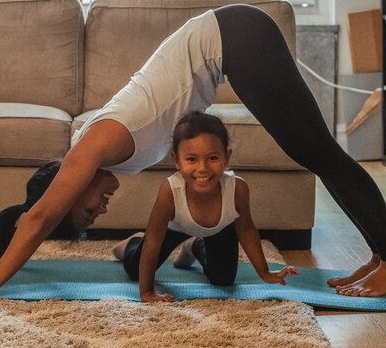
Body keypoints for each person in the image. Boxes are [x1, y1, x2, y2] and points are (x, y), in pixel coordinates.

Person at [0, 4, 386, 299]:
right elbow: (28, 218)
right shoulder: (107, 154)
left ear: (67, 189)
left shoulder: (94, 145)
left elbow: (35, 220)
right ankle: (380, 255)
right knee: (317, 153)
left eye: (87, 211)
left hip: (236, 38)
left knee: (319, 152)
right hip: (233, 42)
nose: (100, 210)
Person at [112, 112, 298, 302]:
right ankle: (133, 243)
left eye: (212, 158)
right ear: (176, 160)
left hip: (219, 229)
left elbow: (246, 230)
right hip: (173, 228)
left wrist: (265, 273)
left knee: (223, 279)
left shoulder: (237, 189)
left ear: (227, 157)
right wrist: (147, 292)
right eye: (192, 159)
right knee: (135, 270)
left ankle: (195, 245)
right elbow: (153, 240)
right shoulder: (170, 190)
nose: (202, 168)